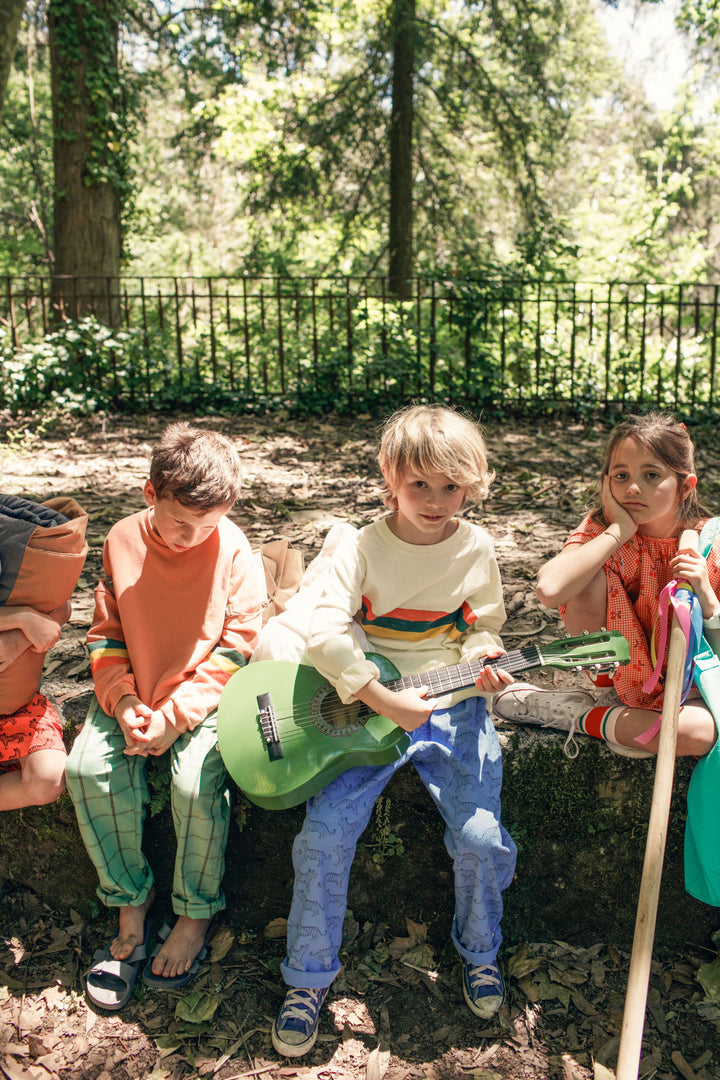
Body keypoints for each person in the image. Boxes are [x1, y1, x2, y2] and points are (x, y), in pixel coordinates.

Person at [270, 403, 517, 1058]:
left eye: (451, 487)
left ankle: (481, 951)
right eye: (419, 486)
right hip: (367, 707)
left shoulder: (476, 548)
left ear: (472, 484)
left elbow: (482, 625)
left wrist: (487, 657)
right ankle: (307, 975)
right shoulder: (363, 546)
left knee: (481, 837)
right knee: (323, 835)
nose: (436, 502)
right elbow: (324, 632)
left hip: (454, 706)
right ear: (390, 480)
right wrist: (381, 697)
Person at [65, 422, 263, 1011]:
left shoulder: (233, 546)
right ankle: (130, 903)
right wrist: (125, 704)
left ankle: (194, 914)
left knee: (195, 783)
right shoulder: (121, 540)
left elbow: (238, 646)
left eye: (209, 524)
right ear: (151, 494)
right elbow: (104, 636)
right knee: (86, 771)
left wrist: (176, 717)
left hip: (203, 700)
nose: (194, 536)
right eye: (182, 522)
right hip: (131, 695)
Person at [493, 413, 720, 760]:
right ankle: (602, 699)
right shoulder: (606, 529)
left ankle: (584, 717)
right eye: (621, 476)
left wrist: (707, 596)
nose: (632, 487)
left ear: (685, 486)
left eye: (651, 475)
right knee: (585, 570)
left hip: (690, 691)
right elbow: (550, 589)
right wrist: (618, 533)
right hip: (617, 676)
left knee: (698, 734)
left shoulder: (709, 544)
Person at [0, 494, 88, 810]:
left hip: (16, 708)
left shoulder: (9, 537)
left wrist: (22, 637)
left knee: (48, 779)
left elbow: (61, 607)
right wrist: (20, 619)